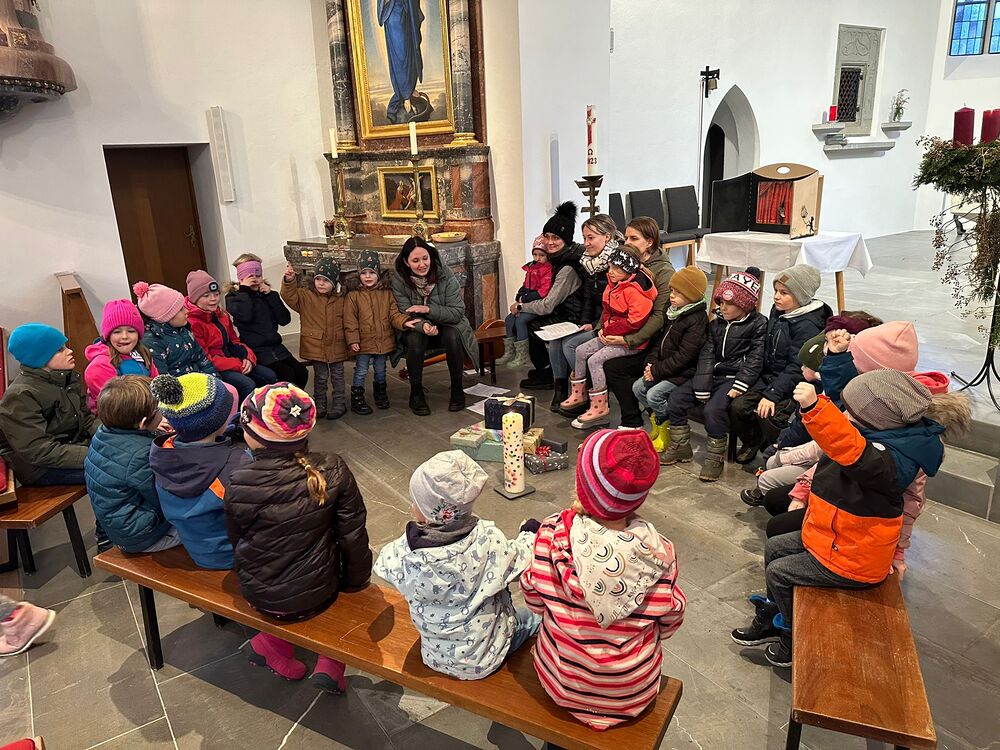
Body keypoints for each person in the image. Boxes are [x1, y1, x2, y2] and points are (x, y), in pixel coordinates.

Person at [731, 372, 970, 668]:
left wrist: (815, 409)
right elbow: (835, 452)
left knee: (779, 572)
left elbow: (851, 452)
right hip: (834, 536)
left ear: (875, 419)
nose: (844, 416)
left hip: (854, 557)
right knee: (775, 547)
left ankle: (792, 637)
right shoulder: (877, 436)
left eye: (851, 412)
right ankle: (772, 613)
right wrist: (800, 490)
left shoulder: (891, 460)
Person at [519, 429, 686, 730]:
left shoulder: (551, 535)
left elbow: (534, 599)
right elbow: (671, 620)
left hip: (563, 683)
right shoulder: (660, 554)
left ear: (581, 484)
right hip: (630, 693)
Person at [227, 383, 372, 693]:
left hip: (261, 596)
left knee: (291, 592)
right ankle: (331, 662)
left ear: (254, 435)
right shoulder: (332, 467)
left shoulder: (239, 481)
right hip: (320, 594)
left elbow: (237, 540)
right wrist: (356, 583)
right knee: (334, 600)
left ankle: (271, 645)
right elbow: (352, 535)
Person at [374, 450, 540, 680]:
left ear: (427, 515)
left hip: (434, 655)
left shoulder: (404, 553)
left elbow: (383, 565)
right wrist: (530, 532)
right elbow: (522, 559)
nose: (412, 506)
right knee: (532, 617)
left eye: (416, 502)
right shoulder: (488, 541)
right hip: (486, 656)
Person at [661, 268, 767, 481]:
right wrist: (702, 384)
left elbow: (755, 358)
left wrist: (741, 383)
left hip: (734, 379)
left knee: (713, 410)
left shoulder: (758, 324)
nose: (722, 307)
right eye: (720, 302)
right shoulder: (716, 324)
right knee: (677, 399)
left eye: (729, 303)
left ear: (744, 305)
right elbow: (707, 354)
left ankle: (714, 456)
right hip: (714, 375)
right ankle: (681, 446)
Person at [729, 264, 831, 465]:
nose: (776, 296)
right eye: (776, 290)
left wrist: (771, 395)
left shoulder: (808, 325)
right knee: (738, 407)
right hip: (769, 377)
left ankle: (777, 450)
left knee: (770, 415)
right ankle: (753, 440)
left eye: (784, 293)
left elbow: (796, 367)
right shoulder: (779, 311)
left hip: (792, 384)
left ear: (801, 296)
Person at [148, 373, 244, 569]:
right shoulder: (233, 467)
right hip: (230, 554)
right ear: (218, 420)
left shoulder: (163, 453)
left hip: (196, 546)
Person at [560, 246, 657, 429]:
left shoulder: (635, 290)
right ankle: (579, 394)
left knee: (595, 360)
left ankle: (600, 406)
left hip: (630, 341)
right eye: (610, 267)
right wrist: (604, 328)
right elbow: (606, 311)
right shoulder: (613, 284)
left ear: (628, 270)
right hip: (611, 334)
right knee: (581, 351)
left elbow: (635, 322)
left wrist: (610, 330)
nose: (610, 272)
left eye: (616, 269)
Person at [84, 376, 181, 554]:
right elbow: (166, 497)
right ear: (143, 423)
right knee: (207, 520)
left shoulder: (102, 433)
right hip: (144, 536)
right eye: (158, 410)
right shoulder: (141, 456)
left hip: (120, 529)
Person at [600, 217, 675, 429]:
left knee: (613, 366)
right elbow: (611, 299)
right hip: (620, 328)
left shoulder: (663, 272)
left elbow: (659, 316)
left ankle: (632, 420)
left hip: (649, 340)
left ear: (649, 242)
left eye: (633, 238)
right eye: (626, 238)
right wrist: (600, 329)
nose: (627, 243)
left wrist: (628, 340)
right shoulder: (624, 262)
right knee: (581, 348)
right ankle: (593, 406)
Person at [0, 323, 96, 488]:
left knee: (130, 454)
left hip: (70, 447)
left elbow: (86, 419)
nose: (69, 351)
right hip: (40, 468)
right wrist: (95, 455)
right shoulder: (20, 395)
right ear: (39, 358)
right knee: (117, 473)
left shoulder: (67, 379)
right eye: (59, 350)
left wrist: (110, 437)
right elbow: (38, 450)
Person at [391, 238, 479, 416]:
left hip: (446, 324)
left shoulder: (444, 274)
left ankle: (457, 389)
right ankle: (416, 392)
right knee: (415, 340)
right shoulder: (399, 279)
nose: (422, 264)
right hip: (417, 328)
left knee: (453, 335)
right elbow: (405, 313)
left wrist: (428, 309)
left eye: (425, 258)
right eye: (415, 260)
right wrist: (424, 325)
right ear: (406, 262)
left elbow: (457, 312)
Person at [634, 265, 709, 453]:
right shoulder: (673, 311)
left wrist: (656, 371)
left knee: (654, 395)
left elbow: (686, 356)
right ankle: (658, 425)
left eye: (678, 293)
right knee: (638, 388)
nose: (672, 296)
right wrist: (651, 364)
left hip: (684, 373)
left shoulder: (697, 319)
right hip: (664, 368)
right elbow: (659, 342)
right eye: (672, 290)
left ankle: (667, 432)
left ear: (691, 295)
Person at [517, 202, 587, 393]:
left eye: (555, 237)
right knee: (520, 320)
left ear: (566, 239)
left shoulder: (567, 267)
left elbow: (548, 305)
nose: (549, 242)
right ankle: (545, 368)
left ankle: (548, 372)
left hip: (571, 316)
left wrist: (521, 306)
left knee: (530, 324)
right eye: (546, 236)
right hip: (562, 310)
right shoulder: (555, 259)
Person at [552, 214, 617, 414]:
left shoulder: (616, 264)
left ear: (607, 237)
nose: (586, 243)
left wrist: (595, 325)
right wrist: (585, 321)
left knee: (570, 345)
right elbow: (589, 297)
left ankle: (589, 393)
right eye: (584, 238)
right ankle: (561, 391)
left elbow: (612, 303)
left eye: (591, 238)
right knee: (556, 341)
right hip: (594, 320)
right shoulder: (589, 262)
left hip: (607, 323)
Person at [184, 270, 277, 407]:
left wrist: (248, 357)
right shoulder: (193, 323)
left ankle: (266, 412)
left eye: (216, 294)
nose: (213, 299)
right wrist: (237, 365)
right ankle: (242, 417)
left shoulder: (221, 315)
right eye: (206, 295)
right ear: (195, 299)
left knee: (269, 376)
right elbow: (205, 358)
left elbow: (234, 341)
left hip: (231, 359)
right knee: (247, 385)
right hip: (214, 367)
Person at [225, 253, 308, 389]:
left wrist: (271, 296)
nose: (255, 279)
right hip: (256, 350)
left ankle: (295, 400)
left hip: (275, 347)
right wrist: (244, 290)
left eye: (258, 276)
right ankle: (283, 401)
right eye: (250, 276)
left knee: (301, 372)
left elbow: (284, 319)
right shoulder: (234, 298)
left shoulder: (267, 295)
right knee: (286, 375)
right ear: (241, 278)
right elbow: (245, 316)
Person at [281, 258, 349, 420]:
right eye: (318, 279)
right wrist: (289, 280)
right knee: (320, 377)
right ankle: (320, 403)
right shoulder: (306, 296)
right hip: (315, 345)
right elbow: (289, 296)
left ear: (334, 282)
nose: (321, 283)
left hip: (337, 344)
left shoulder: (341, 298)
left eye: (326, 280)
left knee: (338, 376)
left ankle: (339, 403)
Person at [344, 250, 410, 415]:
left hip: (383, 341)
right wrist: (353, 340)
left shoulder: (387, 294)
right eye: (364, 273)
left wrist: (404, 321)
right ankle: (357, 397)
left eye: (372, 272)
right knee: (361, 370)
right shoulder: (353, 296)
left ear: (378, 274)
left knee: (381, 369)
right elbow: (350, 320)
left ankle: (380, 394)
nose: (368, 276)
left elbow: (394, 315)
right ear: (358, 274)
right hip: (363, 342)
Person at [84, 299, 158, 415]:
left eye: (131, 331)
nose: (124, 336)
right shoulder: (100, 365)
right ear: (108, 336)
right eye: (117, 332)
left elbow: (156, 383)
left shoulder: (143, 353)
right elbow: (116, 405)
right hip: (120, 416)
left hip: (148, 409)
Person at [135, 281, 218, 378]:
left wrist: (216, 380)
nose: (187, 311)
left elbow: (202, 359)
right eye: (180, 309)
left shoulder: (184, 331)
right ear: (166, 316)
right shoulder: (152, 342)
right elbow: (162, 379)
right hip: (180, 386)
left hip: (199, 380)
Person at [496, 237, 554, 369]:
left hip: (537, 303)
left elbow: (543, 291)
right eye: (535, 254)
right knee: (509, 319)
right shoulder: (531, 267)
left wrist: (524, 299)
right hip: (527, 300)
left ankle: (522, 355)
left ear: (547, 256)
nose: (537, 258)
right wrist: (519, 294)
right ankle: (510, 352)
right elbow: (526, 284)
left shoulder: (547, 269)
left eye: (541, 255)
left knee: (521, 321)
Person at [377, 0, 429, 125]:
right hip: (394, 16)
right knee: (400, 56)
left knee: (410, 53)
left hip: (406, 11)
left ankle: (409, 89)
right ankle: (405, 95)